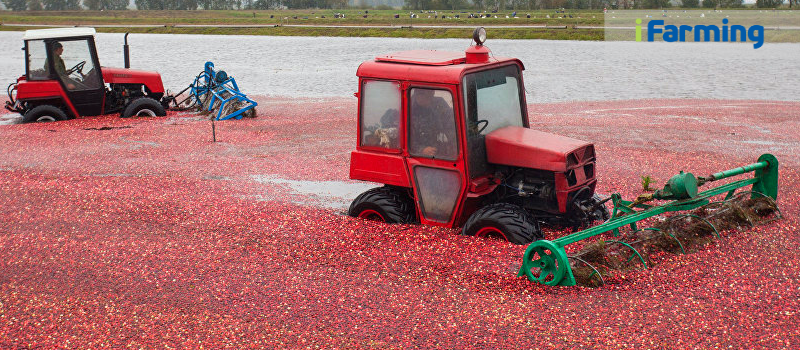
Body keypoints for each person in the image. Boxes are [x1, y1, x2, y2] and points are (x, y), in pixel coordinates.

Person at [409, 89, 457, 159]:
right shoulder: (408, 109)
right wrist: (422, 149)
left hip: (440, 153)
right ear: (416, 93)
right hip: (418, 158)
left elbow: (454, 122)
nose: (426, 95)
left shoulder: (439, 103)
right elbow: (405, 141)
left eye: (430, 92)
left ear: (432, 93)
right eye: (420, 93)